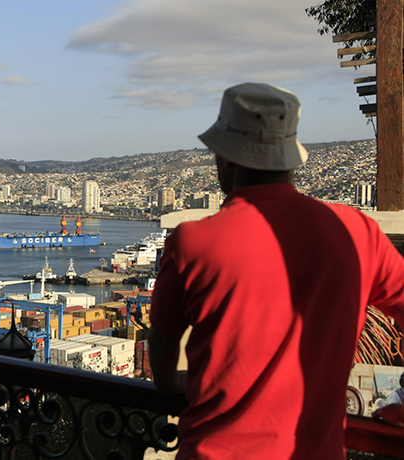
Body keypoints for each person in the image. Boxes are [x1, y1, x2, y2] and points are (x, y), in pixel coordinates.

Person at [148, 82, 404, 459]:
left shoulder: (193, 242)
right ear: (289, 158)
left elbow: (163, 361)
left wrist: (172, 382)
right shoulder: (356, 233)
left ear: (226, 159)